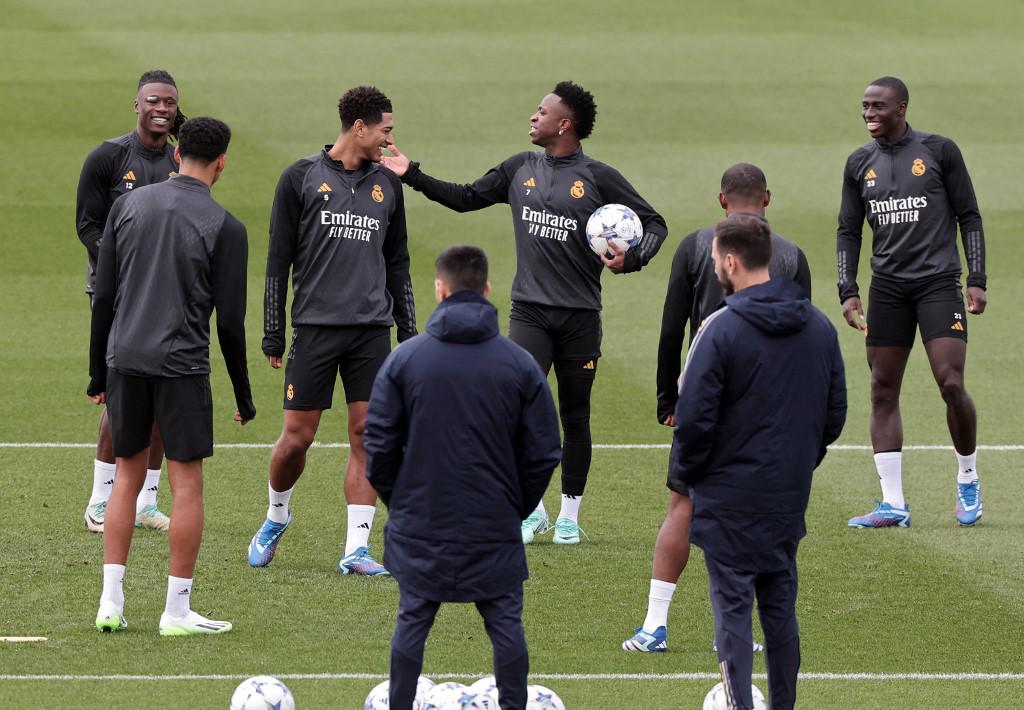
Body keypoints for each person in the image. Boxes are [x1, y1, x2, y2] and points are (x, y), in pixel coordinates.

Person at [380, 81, 668, 545]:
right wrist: (409, 172)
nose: (534, 117)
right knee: (516, 410)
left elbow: (655, 223)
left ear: (565, 124)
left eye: (542, 111)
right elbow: (465, 197)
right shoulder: (520, 168)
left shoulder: (598, 177)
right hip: (530, 314)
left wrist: (632, 259)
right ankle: (532, 509)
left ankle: (570, 516)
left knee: (575, 416)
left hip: (580, 317)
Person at [623, 163, 812, 653]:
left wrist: (669, 398)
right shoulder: (791, 255)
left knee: (682, 505)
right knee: (748, 513)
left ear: (722, 200)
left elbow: (670, 329)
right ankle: (736, 629)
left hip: (703, 397)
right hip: (767, 407)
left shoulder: (695, 246)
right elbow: (804, 341)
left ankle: (654, 625)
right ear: (766, 199)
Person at [364, 245, 561, 710]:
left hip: (422, 519)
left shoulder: (406, 360)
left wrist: (403, 501)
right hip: (492, 521)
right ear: (487, 290)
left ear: (440, 289)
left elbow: (378, 445)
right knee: (506, 627)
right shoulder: (518, 364)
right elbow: (545, 450)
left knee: (412, 622)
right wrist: (515, 503)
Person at [670, 214, 846, 710]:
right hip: (786, 494)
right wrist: (797, 463)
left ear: (730, 261)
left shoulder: (720, 328)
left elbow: (694, 418)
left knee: (731, 613)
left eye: (714, 261)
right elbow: (835, 413)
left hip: (727, 497)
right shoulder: (819, 326)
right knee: (779, 609)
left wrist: (693, 476)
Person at [88, 116, 254, 635]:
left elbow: (105, 298)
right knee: (187, 487)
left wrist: (98, 372)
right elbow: (229, 323)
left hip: (125, 360)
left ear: (178, 152)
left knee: (125, 479)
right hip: (181, 365)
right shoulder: (226, 226)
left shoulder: (127, 206)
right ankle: (176, 612)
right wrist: (245, 396)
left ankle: (110, 605)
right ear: (221, 162)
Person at [247, 85, 417, 575]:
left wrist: (408, 333)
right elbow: (278, 261)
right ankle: (276, 515)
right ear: (358, 127)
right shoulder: (300, 178)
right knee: (296, 439)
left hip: (370, 332)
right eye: (386, 129)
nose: (390, 139)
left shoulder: (389, 186)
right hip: (316, 329)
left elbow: (399, 263)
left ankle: (356, 549)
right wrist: (273, 333)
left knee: (368, 434)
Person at [838, 76, 987, 528]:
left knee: (950, 382)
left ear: (902, 107)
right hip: (888, 288)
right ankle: (893, 503)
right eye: (865, 106)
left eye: (878, 106)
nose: (869, 113)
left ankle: (967, 478)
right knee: (883, 388)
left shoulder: (939, 152)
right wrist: (848, 289)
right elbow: (848, 230)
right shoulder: (858, 163)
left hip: (939, 284)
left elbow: (970, 215)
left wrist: (976, 279)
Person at [76, 69, 187, 533]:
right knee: (122, 399)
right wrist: (128, 265)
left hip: (169, 294)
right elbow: (87, 226)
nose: (161, 109)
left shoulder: (184, 161)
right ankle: (101, 501)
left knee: (164, 397)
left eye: (170, 103)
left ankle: (145, 501)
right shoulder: (107, 157)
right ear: (136, 105)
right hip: (118, 294)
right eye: (153, 101)